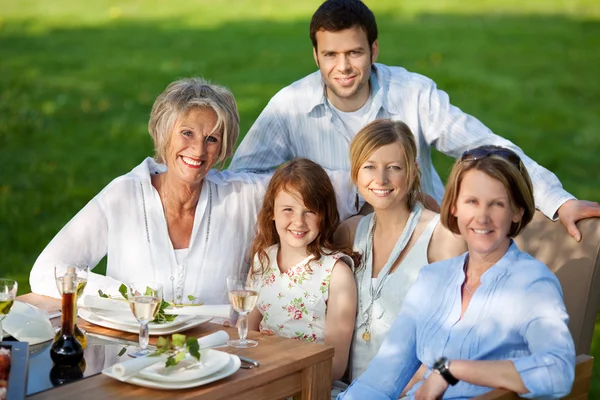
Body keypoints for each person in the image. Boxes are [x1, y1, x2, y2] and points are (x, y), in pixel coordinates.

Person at [229, 0, 600, 241]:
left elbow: (485, 148)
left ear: (373, 50)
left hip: (425, 245)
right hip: (336, 257)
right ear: (315, 55)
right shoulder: (290, 106)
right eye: (331, 55)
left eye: (355, 53)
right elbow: (241, 182)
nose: (342, 67)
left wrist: (558, 199)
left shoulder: (413, 93)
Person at [339, 145, 576, 399]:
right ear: (454, 207)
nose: (481, 217)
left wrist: (453, 370)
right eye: (471, 202)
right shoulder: (432, 279)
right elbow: (381, 379)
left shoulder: (531, 284)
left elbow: (558, 371)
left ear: (517, 212)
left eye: (497, 204)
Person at [29, 77, 270, 304]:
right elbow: (46, 271)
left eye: (212, 139)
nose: (198, 150)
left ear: (222, 148)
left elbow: (302, 189)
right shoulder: (124, 196)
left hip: (216, 347)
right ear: (164, 134)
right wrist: (125, 297)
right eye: (187, 133)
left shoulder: (242, 197)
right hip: (133, 346)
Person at [333, 120, 466, 392]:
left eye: (393, 167)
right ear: (355, 173)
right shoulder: (349, 234)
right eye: (369, 167)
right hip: (348, 389)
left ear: (413, 171)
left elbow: (451, 334)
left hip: (413, 389)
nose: (380, 180)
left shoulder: (442, 238)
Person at [247, 158, 358, 382]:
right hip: (261, 376)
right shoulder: (263, 260)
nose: (298, 221)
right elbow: (247, 334)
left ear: (324, 215)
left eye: (309, 211)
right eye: (288, 209)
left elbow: (335, 365)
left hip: (309, 383)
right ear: (272, 212)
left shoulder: (335, 274)